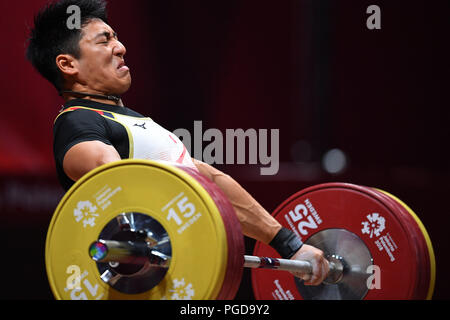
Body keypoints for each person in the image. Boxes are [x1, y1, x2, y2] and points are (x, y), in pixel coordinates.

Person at [26, 0, 329, 287]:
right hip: (140, 280)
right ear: (68, 65)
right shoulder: (78, 121)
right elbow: (113, 180)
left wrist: (288, 245)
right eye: (104, 41)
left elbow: (209, 181)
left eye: (116, 37)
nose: (121, 47)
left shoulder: (130, 121)